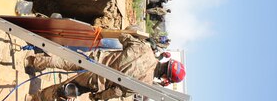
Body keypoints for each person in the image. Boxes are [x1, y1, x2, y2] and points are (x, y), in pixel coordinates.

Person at [25, 33, 184, 100]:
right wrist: (97, 97)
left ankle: (32, 61)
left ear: (166, 62)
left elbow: (123, 36)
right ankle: (36, 98)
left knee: (63, 61)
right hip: (96, 80)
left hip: (94, 59)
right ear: (165, 78)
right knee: (63, 90)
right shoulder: (145, 84)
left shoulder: (145, 49)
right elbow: (116, 91)